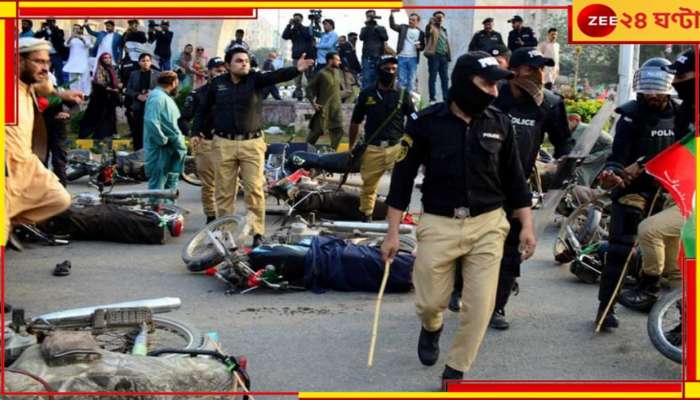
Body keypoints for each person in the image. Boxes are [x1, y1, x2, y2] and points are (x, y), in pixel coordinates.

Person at [380, 51, 535, 384]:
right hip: (438, 223)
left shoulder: (500, 122)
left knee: (480, 307)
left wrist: (527, 225)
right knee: (429, 302)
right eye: (487, 83)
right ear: (464, 84)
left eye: (497, 85)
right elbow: (402, 181)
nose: (494, 91)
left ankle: (456, 370)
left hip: (489, 225)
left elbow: (516, 180)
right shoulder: (425, 123)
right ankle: (431, 327)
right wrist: (392, 233)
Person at [484, 46, 572, 330]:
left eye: (541, 69)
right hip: (479, 183)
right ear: (514, 71)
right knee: (473, 243)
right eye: (531, 69)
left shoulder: (550, 104)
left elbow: (564, 146)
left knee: (510, 250)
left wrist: (565, 168)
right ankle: (463, 288)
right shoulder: (492, 95)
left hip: (516, 188)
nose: (538, 74)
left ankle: (497, 306)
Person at [192, 47, 314, 247]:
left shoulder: (255, 80)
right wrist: (196, 132)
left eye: (246, 61)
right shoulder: (217, 85)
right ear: (229, 65)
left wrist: (296, 69)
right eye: (239, 61)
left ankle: (257, 233)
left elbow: (277, 76)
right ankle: (225, 234)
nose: (244, 64)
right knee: (224, 192)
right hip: (223, 143)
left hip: (252, 143)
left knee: (254, 189)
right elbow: (202, 110)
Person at [595, 57, 679, 330]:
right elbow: (617, 155)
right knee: (620, 250)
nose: (652, 95)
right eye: (647, 90)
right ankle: (605, 309)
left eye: (657, 89)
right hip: (633, 191)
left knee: (678, 263)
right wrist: (613, 172)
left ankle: (679, 317)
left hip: (668, 193)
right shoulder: (630, 115)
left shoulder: (682, 115)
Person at [619, 49, 696, 312]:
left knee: (649, 230)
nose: (676, 82)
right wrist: (645, 166)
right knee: (676, 268)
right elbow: (679, 149)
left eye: (683, 76)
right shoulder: (686, 111)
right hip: (679, 191)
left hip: (692, 198)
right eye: (674, 76)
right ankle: (683, 320)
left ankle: (649, 285)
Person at [5, 37, 82, 245]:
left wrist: (63, 95)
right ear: (18, 61)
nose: (45, 67)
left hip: (27, 164)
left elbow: (47, 89)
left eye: (47, 62)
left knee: (59, 199)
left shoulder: (30, 84)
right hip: (6, 169)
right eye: (38, 61)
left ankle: (10, 218)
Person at [349, 55, 415, 221]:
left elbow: (414, 119)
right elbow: (355, 122)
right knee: (369, 186)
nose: (391, 72)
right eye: (387, 69)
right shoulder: (367, 94)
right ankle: (366, 215)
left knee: (400, 185)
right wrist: (351, 146)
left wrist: (413, 142)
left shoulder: (403, 94)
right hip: (373, 148)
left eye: (394, 69)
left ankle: (400, 217)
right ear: (379, 70)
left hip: (396, 148)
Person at [181, 57, 228, 224]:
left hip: (229, 144)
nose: (220, 74)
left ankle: (226, 218)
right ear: (208, 71)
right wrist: (192, 134)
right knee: (209, 185)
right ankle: (211, 217)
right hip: (206, 143)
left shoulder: (232, 93)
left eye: (223, 71)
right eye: (217, 70)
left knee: (230, 184)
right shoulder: (198, 94)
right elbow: (183, 119)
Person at [143, 71, 186, 190]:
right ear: (173, 83)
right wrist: (163, 140)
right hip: (161, 150)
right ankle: (156, 208)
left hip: (171, 149)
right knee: (158, 187)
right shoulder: (157, 97)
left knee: (170, 185)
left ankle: (168, 208)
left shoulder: (163, 97)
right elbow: (151, 121)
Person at [305, 52, 350, 150]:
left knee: (338, 130)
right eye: (337, 60)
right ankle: (304, 150)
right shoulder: (321, 73)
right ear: (330, 60)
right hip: (323, 108)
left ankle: (332, 151)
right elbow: (309, 88)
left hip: (336, 108)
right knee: (317, 131)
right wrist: (313, 103)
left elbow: (335, 89)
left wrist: (345, 93)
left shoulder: (338, 73)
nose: (339, 62)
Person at [79, 52, 122, 141]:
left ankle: (111, 133)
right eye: (105, 58)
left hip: (111, 98)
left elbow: (117, 81)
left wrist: (119, 87)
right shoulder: (100, 70)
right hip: (101, 99)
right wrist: (112, 89)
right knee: (100, 116)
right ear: (101, 60)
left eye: (109, 58)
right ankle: (99, 135)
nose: (107, 59)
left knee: (111, 116)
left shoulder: (113, 69)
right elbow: (100, 84)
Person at [567, 113, 612, 186]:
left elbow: (578, 149)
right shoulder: (578, 129)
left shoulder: (582, 128)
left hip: (607, 149)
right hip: (603, 149)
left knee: (582, 170)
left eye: (567, 122)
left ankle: (581, 188)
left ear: (575, 120)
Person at [126, 53, 159, 151]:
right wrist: (137, 96)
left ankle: (151, 150)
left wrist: (151, 93)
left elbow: (161, 89)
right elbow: (128, 90)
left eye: (148, 60)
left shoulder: (157, 74)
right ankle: (138, 151)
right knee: (138, 129)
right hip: (138, 105)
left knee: (151, 129)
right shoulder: (134, 74)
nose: (145, 63)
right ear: (139, 62)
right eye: (143, 61)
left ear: (151, 62)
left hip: (152, 106)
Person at [282, 13, 317, 100]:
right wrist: (289, 25)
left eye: (298, 19)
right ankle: (299, 95)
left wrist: (299, 25)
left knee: (309, 77)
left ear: (301, 20)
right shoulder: (292, 30)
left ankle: (311, 95)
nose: (296, 21)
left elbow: (308, 37)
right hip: (296, 57)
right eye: (295, 19)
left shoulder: (306, 28)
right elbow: (284, 36)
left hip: (307, 57)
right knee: (297, 78)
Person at [389, 9, 425, 93]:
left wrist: (419, 47)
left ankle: (410, 100)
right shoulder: (403, 27)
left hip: (413, 58)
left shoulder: (421, 33)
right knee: (402, 79)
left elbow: (423, 46)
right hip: (402, 56)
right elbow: (392, 25)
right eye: (410, 19)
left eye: (413, 20)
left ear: (417, 21)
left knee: (411, 80)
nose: (410, 21)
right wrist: (391, 15)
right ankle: (401, 100)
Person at [423, 11, 451, 103]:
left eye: (441, 17)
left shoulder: (444, 30)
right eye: (437, 17)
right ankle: (432, 98)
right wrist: (430, 23)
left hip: (444, 57)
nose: (440, 19)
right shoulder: (431, 27)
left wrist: (448, 56)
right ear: (434, 18)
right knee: (433, 77)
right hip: (434, 56)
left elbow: (446, 44)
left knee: (445, 79)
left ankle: (446, 98)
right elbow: (427, 33)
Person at [360, 9, 389, 89]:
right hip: (367, 56)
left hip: (378, 56)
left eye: (372, 16)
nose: (371, 18)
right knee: (366, 78)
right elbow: (361, 37)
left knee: (378, 77)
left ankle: (376, 96)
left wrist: (376, 27)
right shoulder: (364, 29)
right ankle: (365, 97)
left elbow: (385, 38)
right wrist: (367, 25)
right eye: (369, 16)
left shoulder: (381, 28)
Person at [34, 19, 67, 86]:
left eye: (51, 22)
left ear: (54, 22)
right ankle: (48, 87)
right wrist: (41, 29)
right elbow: (36, 36)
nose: (50, 24)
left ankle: (60, 88)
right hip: (48, 55)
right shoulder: (45, 31)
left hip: (57, 55)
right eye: (48, 22)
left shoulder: (59, 31)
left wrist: (51, 33)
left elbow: (60, 39)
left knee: (58, 73)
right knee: (48, 72)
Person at [63, 24, 93, 96]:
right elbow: (66, 44)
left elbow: (89, 45)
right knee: (73, 79)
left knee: (84, 79)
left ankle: (86, 94)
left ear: (81, 29)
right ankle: (74, 93)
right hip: (73, 62)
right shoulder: (71, 38)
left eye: (77, 28)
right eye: (74, 29)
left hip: (83, 62)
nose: (76, 30)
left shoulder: (86, 37)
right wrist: (71, 37)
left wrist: (80, 38)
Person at [120, 19, 148, 85]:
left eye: (133, 24)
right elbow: (122, 43)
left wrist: (134, 31)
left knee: (138, 74)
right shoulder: (126, 34)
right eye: (130, 24)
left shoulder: (140, 33)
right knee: (127, 73)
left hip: (138, 58)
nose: (131, 26)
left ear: (137, 25)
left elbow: (143, 40)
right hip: (128, 57)